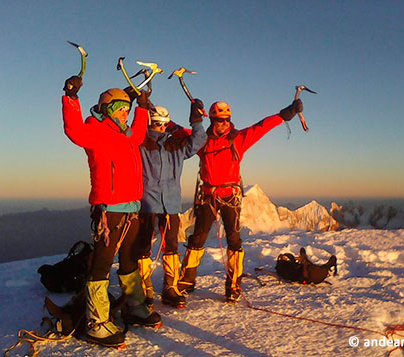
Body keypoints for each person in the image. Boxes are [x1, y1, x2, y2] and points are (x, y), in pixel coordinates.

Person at [62, 76, 160, 347]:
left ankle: (135, 307)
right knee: (102, 264)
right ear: (107, 110)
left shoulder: (126, 136)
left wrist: (140, 107)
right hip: (109, 211)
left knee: (129, 261)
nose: (124, 114)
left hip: (131, 209)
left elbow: (139, 133)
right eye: (120, 109)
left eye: (126, 111)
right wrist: (71, 99)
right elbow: (73, 131)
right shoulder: (94, 131)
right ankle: (96, 322)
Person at [177, 99, 303, 303]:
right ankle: (186, 281)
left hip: (230, 197)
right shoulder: (202, 140)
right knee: (198, 238)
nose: (224, 123)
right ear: (212, 121)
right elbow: (182, 132)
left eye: (226, 119)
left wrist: (284, 114)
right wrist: (189, 119)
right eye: (219, 120)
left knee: (234, 240)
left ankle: (233, 284)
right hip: (208, 196)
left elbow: (261, 127)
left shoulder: (238, 138)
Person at [136, 99, 207, 308]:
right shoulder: (141, 142)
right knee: (144, 246)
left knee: (171, 245)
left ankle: (170, 287)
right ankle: (145, 287)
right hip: (148, 202)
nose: (160, 128)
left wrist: (196, 121)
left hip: (170, 204)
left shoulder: (174, 144)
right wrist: (140, 108)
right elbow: (130, 135)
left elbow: (199, 140)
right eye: (157, 123)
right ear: (149, 123)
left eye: (163, 124)